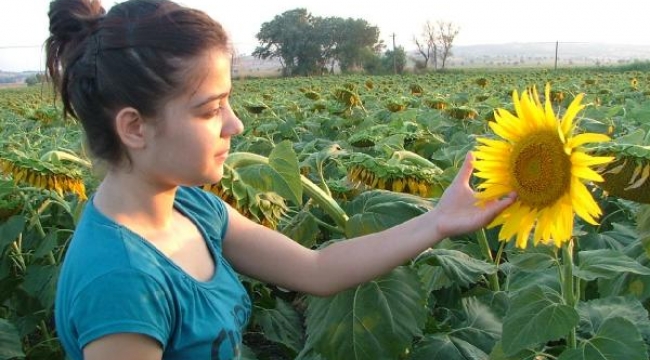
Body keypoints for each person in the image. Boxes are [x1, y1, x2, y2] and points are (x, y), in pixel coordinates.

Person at [45, 0, 516, 359]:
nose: (235, 126)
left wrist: (436, 223)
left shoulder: (191, 207)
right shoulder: (120, 283)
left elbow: (317, 270)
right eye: (210, 110)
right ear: (134, 127)